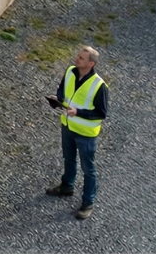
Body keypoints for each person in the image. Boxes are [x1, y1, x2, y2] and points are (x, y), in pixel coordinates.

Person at [44, 45, 109, 220]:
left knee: (89, 169)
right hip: (68, 126)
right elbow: (62, 89)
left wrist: (78, 113)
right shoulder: (71, 71)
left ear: (91, 64)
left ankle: (88, 203)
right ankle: (67, 186)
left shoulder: (99, 86)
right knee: (68, 158)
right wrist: (58, 99)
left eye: (81, 58)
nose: (76, 59)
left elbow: (101, 113)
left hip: (86, 134)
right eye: (78, 55)